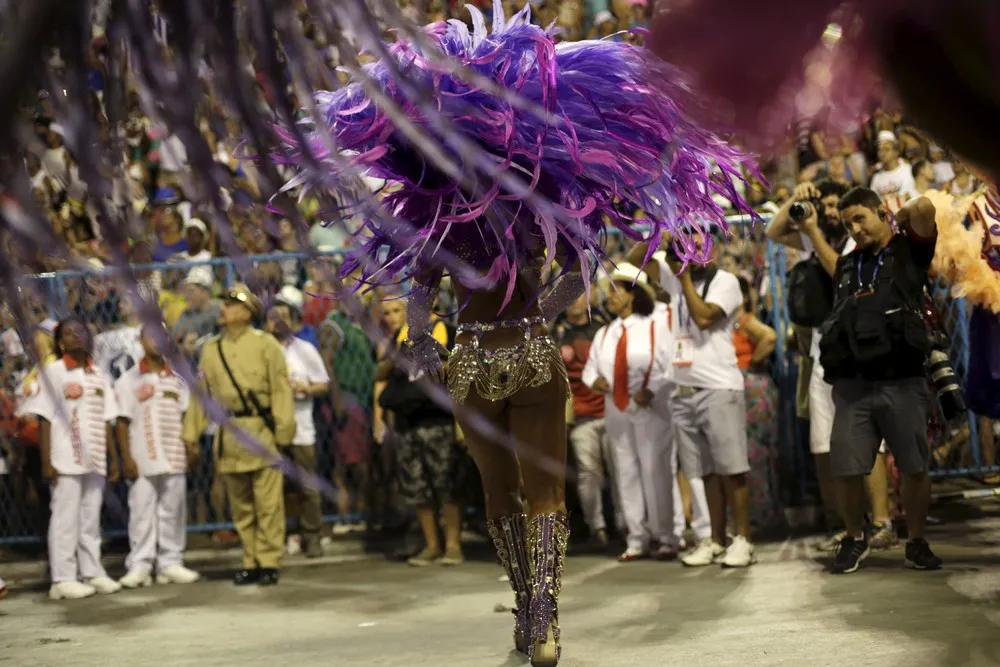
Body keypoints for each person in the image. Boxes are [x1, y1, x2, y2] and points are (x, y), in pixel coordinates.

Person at [266, 5, 757, 664]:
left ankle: (538, 611)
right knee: (522, 493)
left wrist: (473, 331)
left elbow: (480, 287)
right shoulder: (481, 210)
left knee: (522, 492)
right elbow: (507, 280)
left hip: (498, 358)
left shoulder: (481, 211)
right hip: (500, 356)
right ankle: (536, 609)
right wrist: (478, 328)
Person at [765, 179, 898, 552]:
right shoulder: (814, 233)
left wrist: (811, 231)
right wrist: (795, 198)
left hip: (860, 350)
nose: (829, 211)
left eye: (836, 204)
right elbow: (774, 231)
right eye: (825, 205)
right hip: (824, 351)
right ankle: (844, 525)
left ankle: (882, 522)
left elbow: (839, 270)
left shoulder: (858, 241)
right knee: (824, 444)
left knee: (870, 441)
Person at [819, 188, 942, 574]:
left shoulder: (909, 250)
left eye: (861, 218)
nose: (854, 229)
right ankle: (855, 539)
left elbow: (923, 208)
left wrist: (897, 220)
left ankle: (917, 542)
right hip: (853, 384)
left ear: (880, 213)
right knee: (846, 465)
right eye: (847, 223)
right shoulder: (846, 264)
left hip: (901, 379)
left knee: (913, 465)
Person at [627, 234, 757, 568]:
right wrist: (661, 234)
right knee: (704, 472)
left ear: (713, 250)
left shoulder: (726, 281)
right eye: (686, 247)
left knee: (732, 468)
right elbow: (634, 257)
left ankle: (743, 540)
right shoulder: (675, 276)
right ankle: (715, 540)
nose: (691, 254)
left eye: (698, 247)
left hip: (718, 387)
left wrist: (682, 276)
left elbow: (703, 317)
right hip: (684, 390)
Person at [182, 283, 296, 586]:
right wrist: (190, 435)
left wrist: (284, 435)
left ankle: (269, 561)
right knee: (242, 506)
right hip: (230, 435)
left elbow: (281, 390)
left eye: (231, 305)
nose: (224, 308)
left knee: (268, 503)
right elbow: (201, 396)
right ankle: (251, 560)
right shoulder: (211, 349)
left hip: (261, 430)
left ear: (246, 313)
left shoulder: (266, 344)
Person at [19, 316, 122, 600]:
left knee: (90, 518)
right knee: (65, 518)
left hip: (95, 459)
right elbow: (44, 418)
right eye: (70, 333)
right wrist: (47, 461)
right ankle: (63, 579)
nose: (77, 336)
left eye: (81, 331)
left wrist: (113, 458)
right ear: (61, 343)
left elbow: (108, 418)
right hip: (65, 458)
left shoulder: (98, 374)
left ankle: (92, 571)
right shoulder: (53, 372)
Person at [582, 263, 678, 561]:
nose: (609, 296)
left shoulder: (653, 327)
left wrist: (652, 389)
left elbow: (671, 364)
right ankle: (636, 536)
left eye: (615, 289)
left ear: (632, 294)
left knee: (656, 470)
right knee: (625, 471)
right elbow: (590, 370)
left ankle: (666, 535)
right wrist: (594, 381)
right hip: (616, 408)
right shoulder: (605, 333)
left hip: (650, 407)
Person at [376, 299, 464, 566]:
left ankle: (453, 545)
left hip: (437, 421)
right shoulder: (398, 338)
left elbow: (457, 369)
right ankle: (431, 545)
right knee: (417, 488)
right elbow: (381, 373)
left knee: (446, 485)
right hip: (406, 422)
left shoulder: (446, 329)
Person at [114, 324, 201, 587]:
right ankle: (140, 565)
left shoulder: (178, 378)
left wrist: (191, 446)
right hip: (141, 457)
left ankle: (170, 563)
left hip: (174, 455)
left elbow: (188, 415)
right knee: (141, 512)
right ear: (141, 340)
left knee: (172, 510)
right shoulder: (128, 379)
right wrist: (126, 458)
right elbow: (121, 421)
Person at [265, 301, 330, 559]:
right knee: (273, 487)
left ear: (292, 322)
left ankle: (312, 535)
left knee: (307, 486)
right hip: (270, 429)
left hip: (301, 428)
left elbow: (323, 383)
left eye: (283, 317)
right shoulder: (262, 349)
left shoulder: (305, 349)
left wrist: (306, 389)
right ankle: (276, 539)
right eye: (273, 317)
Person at [551, 292, 615, 548]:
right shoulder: (555, 335)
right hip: (580, 416)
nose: (573, 301)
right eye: (570, 297)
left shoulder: (602, 330)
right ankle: (596, 527)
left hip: (611, 411)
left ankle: (626, 525)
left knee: (621, 472)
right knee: (589, 473)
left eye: (578, 297)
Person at [733, 276, 781, 529]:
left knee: (755, 453)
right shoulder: (734, 322)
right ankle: (759, 510)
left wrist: (751, 364)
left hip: (751, 389)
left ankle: (761, 512)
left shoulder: (743, 321)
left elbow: (770, 338)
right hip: (747, 388)